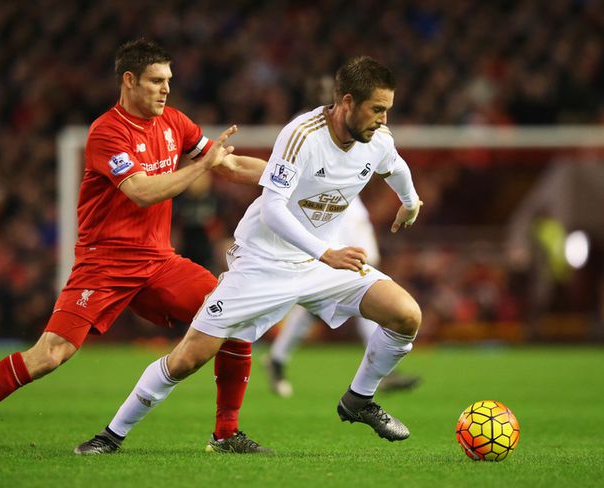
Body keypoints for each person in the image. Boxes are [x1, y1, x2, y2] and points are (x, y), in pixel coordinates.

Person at [0, 39, 270, 454]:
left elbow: (229, 163)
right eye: (156, 81)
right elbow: (141, 192)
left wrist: (288, 177)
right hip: (105, 264)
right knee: (50, 354)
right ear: (129, 81)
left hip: (158, 261)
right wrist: (199, 167)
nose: (165, 89)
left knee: (233, 317)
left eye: (168, 81)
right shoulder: (107, 132)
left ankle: (225, 434)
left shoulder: (175, 123)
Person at [75, 55, 423, 453]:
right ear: (347, 101)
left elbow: (395, 166)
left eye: (387, 110)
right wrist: (327, 252)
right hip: (264, 263)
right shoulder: (303, 135)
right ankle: (110, 435)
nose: (383, 120)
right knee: (189, 358)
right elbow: (274, 210)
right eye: (377, 109)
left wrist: (410, 201)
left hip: (319, 265)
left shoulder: (377, 139)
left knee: (405, 315)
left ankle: (359, 399)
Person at [264, 197, 420, 397]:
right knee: (316, 310)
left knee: (313, 312)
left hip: (353, 263)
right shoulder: (336, 193)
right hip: (338, 261)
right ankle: (384, 373)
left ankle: (277, 359)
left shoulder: (353, 193)